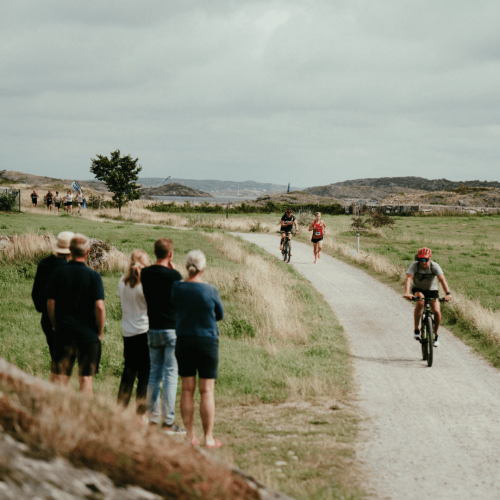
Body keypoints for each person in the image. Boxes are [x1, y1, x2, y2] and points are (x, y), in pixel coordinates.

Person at [172, 250, 224, 448]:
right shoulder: (211, 290)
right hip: (207, 341)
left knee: (187, 388)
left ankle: (189, 436)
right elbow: (219, 314)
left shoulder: (177, 287)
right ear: (203, 268)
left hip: (184, 339)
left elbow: (173, 304)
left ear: (186, 267)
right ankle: (208, 438)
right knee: (207, 390)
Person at [46, 234, 105, 394]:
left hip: (64, 331)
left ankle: (56, 414)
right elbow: (99, 307)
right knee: (86, 379)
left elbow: (50, 303)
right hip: (88, 334)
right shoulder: (94, 276)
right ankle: (83, 417)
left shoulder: (58, 273)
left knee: (60, 378)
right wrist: (98, 332)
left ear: (70, 251)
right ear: (88, 252)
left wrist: (55, 325)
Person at [141, 238, 185, 434]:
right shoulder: (174, 275)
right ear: (170, 255)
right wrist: (174, 271)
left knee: (154, 374)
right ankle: (168, 421)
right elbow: (180, 298)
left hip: (153, 328)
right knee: (170, 373)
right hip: (171, 328)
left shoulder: (145, 273)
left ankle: (152, 418)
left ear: (155, 252)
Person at [31, 231, 74, 382]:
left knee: (55, 355)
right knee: (64, 364)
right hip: (64, 320)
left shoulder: (44, 264)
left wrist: (42, 309)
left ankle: (55, 389)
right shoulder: (68, 270)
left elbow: (35, 293)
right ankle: (58, 394)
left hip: (46, 319)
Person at [117, 250, 151, 415]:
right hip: (144, 331)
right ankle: (141, 412)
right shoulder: (145, 284)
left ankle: (120, 408)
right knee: (144, 374)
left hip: (128, 332)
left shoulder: (121, 282)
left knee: (128, 371)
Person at [404, 247, 452, 347]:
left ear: (429, 259)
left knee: (437, 311)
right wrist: (407, 293)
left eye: (425, 259)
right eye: (421, 259)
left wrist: (448, 294)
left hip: (432, 290)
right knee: (420, 301)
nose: (423, 262)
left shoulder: (434, 266)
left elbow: (442, 280)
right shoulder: (414, 265)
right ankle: (416, 329)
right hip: (418, 289)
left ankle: (436, 334)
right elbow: (409, 279)